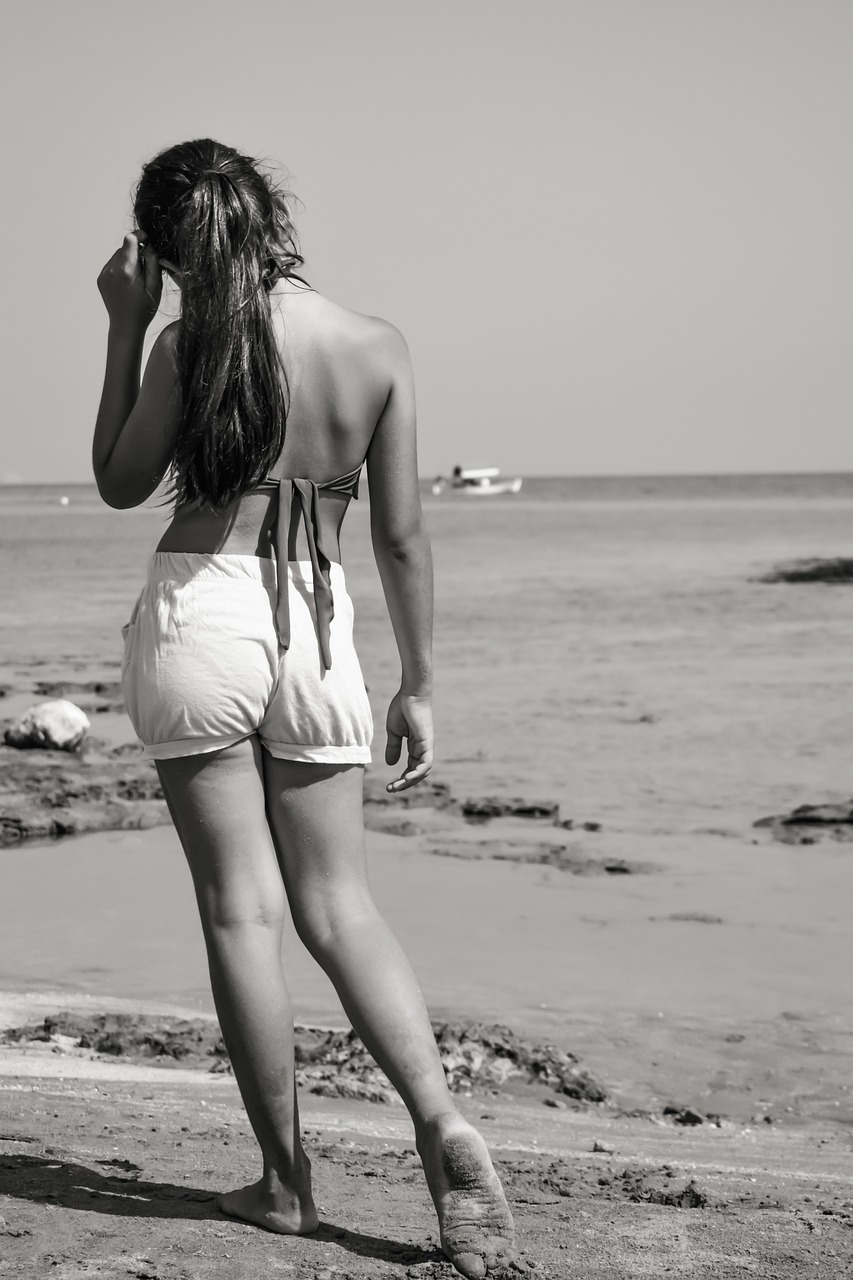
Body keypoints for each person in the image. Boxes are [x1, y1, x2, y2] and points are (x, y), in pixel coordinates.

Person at [93, 138, 517, 1279]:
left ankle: (285, 1186)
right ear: (274, 214)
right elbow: (401, 534)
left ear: (173, 254)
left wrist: (128, 324)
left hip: (206, 609)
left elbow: (121, 479)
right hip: (318, 620)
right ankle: (442, 1125)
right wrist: (419, 680)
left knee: (242, 911)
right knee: (343, 903)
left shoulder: (192, 342)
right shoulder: (375, 345)